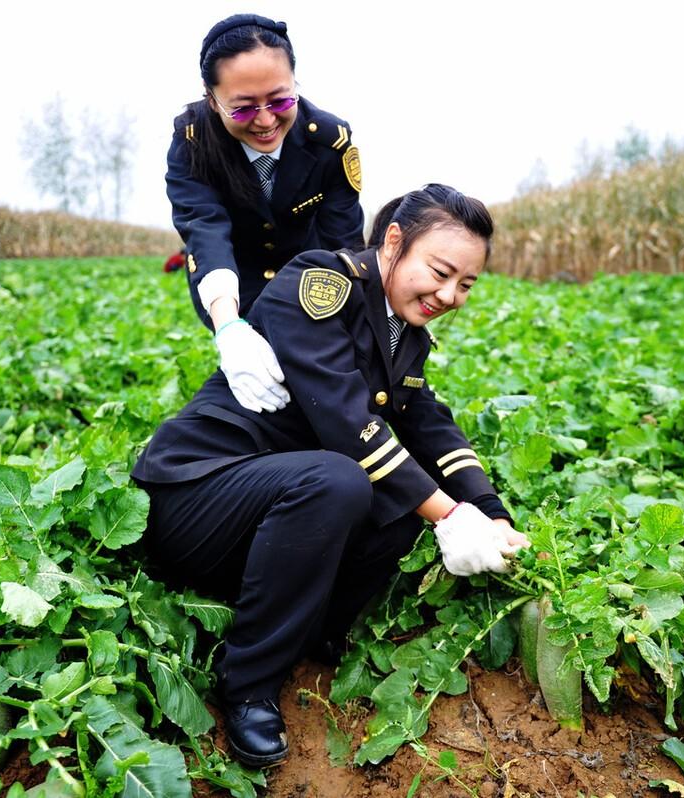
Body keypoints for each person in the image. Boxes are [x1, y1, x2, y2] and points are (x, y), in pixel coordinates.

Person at [131, 184, 529, 768]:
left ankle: (314, 631)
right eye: (440, 272)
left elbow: (431, 427)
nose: (450, 295)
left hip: (269, 516)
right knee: (345, 480)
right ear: (394, 242)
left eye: (466, 284)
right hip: (195, 497)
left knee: (397, 503)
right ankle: (248, 684)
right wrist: (448, 513)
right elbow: (346, 419)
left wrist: (491, 515)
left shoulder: (405, 335)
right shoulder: (319, 285)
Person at [166, 12, 365, 414]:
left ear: (295, 82)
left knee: (312, 383)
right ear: (212, 99)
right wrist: (229, 328)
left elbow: (345, 244)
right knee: (250, 382)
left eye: (280, 100)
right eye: (242, 108)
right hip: (235, 279)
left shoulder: (329, 142)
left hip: (307, 271)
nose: (265, 120)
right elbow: (205, 229)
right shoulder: (193, 141)